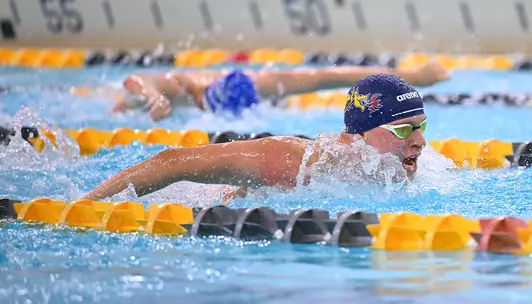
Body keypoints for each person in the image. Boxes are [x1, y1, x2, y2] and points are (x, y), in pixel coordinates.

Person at [83, 73, 430, 201]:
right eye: (403, 129)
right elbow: (172, 162)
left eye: (421, 127)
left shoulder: (408, 170)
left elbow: (323, 75)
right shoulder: (296, 162)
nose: (420, 141)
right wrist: (81, 207)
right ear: (359, 134)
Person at [112, 62, 448, 120]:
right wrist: (149, 95)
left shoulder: (258, 86)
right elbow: (137, 79)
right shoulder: (186, 85)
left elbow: (326, 76)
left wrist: (411, 76)